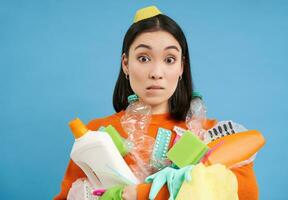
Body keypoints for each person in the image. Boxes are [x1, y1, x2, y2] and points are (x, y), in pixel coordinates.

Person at [54, 5, 259, 200]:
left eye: (169, 59)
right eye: (144, 58)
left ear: (181, 67)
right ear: (126, 64)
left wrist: (142, 194)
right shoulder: (96, 135)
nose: (156, 73)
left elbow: (242, 194)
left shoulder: (212, 136)